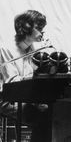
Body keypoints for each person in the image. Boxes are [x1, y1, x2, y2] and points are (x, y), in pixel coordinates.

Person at [0, 10, 50, 142]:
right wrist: (35, 102)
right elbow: (12, 84)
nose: (42, 32)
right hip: (7, 98)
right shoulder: (6, 48)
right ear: (26, 27)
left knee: (54, 111)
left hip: (26, 97)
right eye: (39, 28)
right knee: (43, 117)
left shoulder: (33, 49)